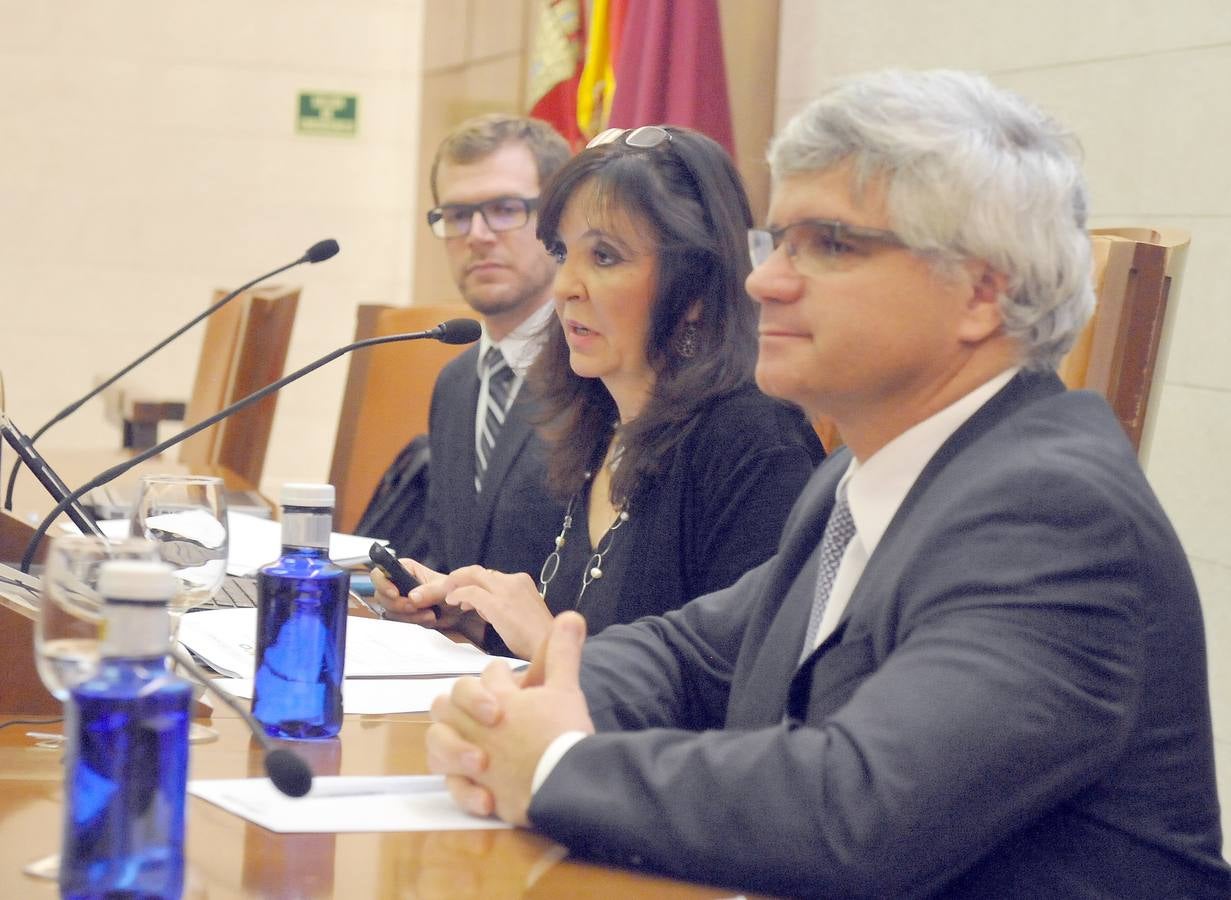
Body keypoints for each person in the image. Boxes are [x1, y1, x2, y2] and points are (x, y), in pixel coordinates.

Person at [424, 70, 1230, 897]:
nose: (762, 282)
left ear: (981, 292)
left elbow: (857, 809)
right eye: (779, 242)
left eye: (830, 245)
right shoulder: (869, 472)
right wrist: (520, 703)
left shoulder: (1053, 512)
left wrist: (558, 764)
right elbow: (690, 655)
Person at [377, 125, 825, 658]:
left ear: (694, 285)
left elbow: (739, 697)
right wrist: (481, 622)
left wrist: (550, 647)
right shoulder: (602, 423)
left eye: (605, 257)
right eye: (563, 253)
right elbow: (592, 634)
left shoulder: (754, 443)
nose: (566, 286)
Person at [383, 115, 570, 643]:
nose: (478, 236)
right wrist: (422, 594)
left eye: (505, 210)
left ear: (557, 219)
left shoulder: (600, 377)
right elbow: (457, 557)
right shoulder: (458, 381)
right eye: (458, 215)